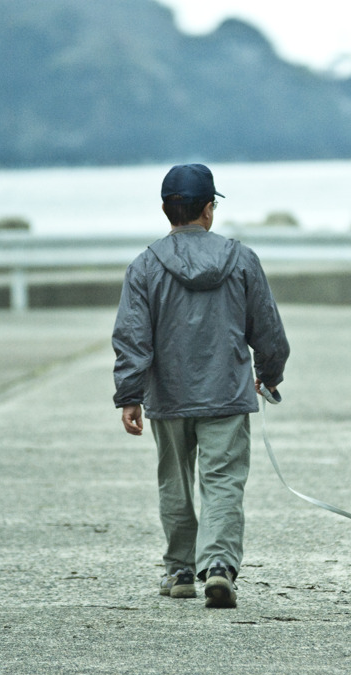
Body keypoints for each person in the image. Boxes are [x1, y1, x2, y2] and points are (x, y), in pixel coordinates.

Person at [112, 163, 290, 608]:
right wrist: (269, 374)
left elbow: (132, 336)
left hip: (167, 397)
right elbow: (267, 329)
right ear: (208, 210)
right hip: (227, 392)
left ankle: (179, 571)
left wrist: (129, 394)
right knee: (223, 481)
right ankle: (219, 568)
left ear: (166, 210)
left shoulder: (145, 265)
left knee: (174, 482)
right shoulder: (241, 259)